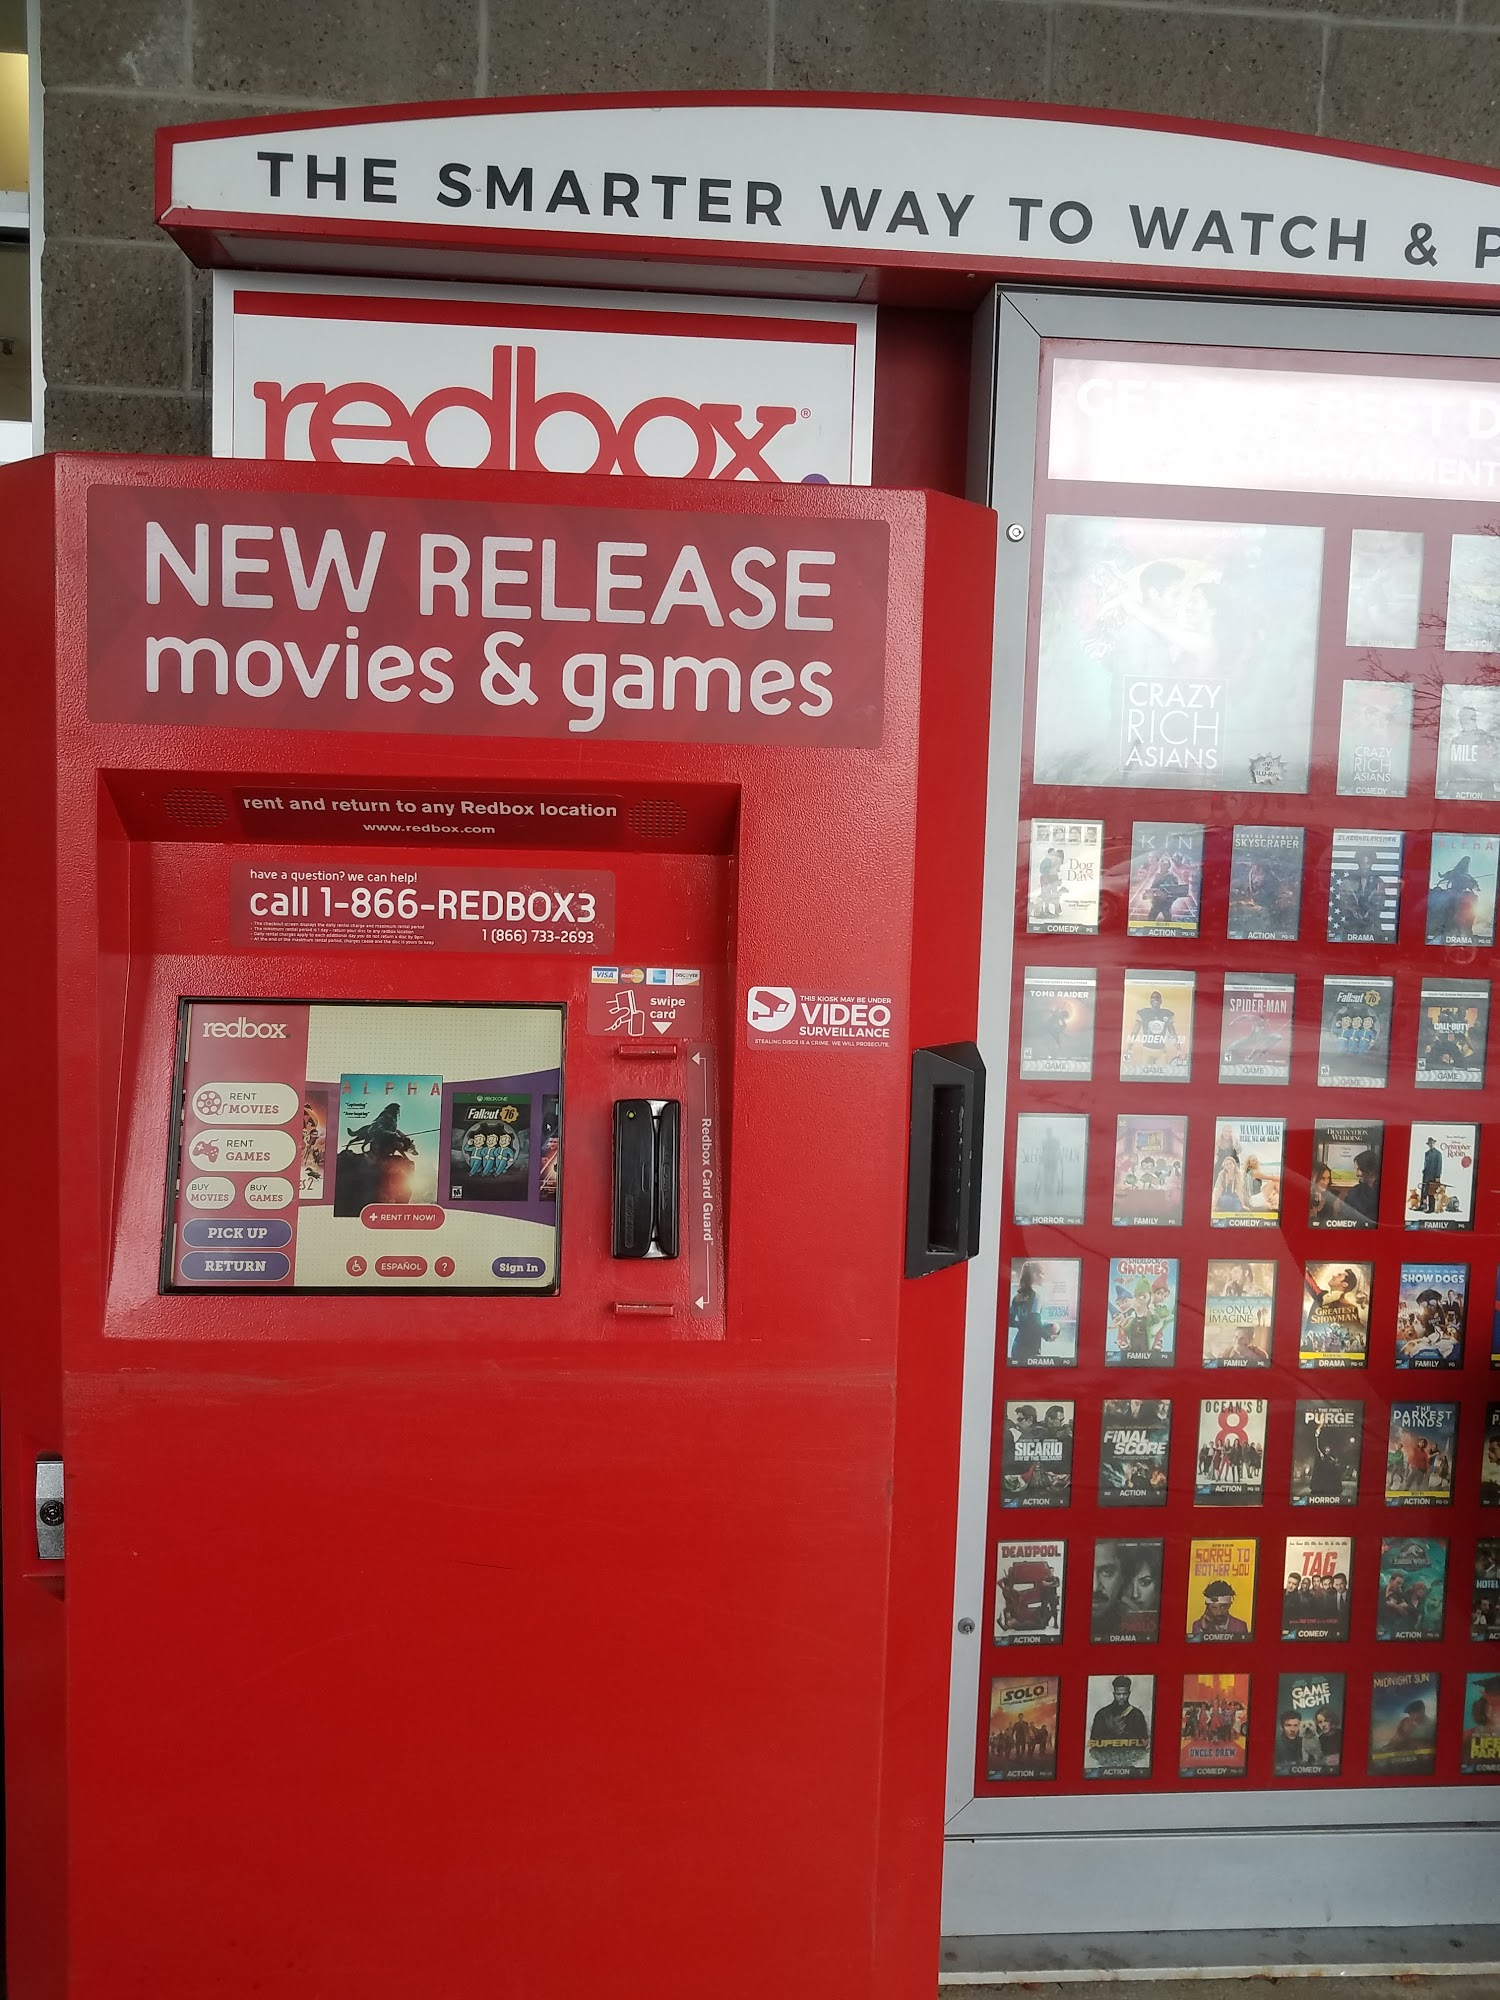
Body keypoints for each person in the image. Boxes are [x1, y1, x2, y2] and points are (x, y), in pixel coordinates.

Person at [1088, 1675, 1151, 1764]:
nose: (1121, 1697)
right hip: (1105, 1762)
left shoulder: (1137, 1715)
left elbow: (1144, 1743)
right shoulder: (1102, 1715)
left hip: (1131, 1762)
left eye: (1124, 1694)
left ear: (1129, 1693)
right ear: (1114, 1693)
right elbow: (1093, 1743)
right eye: (1118, 1694)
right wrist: (1111, 1731)